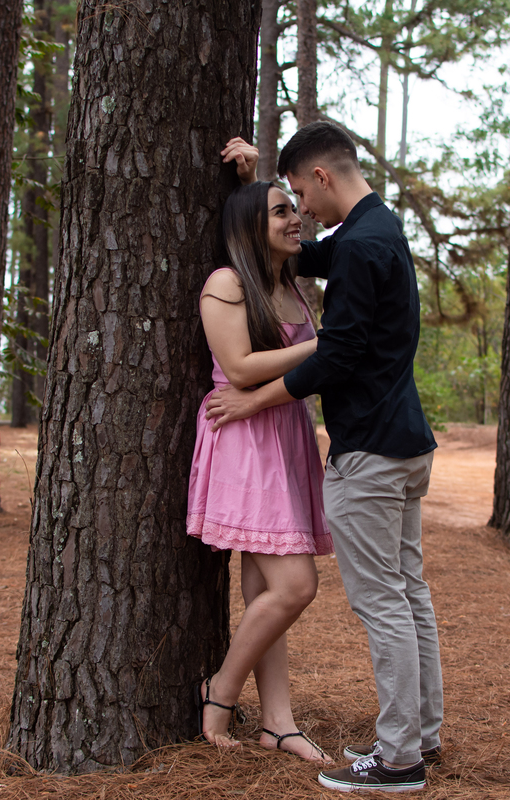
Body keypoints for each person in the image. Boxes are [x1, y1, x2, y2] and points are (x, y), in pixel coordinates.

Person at [211, 124, 442, 793]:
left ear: (321, 178)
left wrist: (252, 403)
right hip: (403, 445)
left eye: (300, 199)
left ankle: (399, 759)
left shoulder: (363, 246)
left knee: (386, 607)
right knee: (410, 597)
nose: (301, 215)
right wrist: (249, 186)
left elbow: (336, 358)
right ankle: (421, 734)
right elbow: (292, 252)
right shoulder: (378, 230)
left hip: (370, 453)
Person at [187, 172, 334, 764]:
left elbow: (290, 368)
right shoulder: (226, 281)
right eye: (280, 212)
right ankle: (220, 691)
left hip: (285, 431)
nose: (295, 217)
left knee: (266, 588)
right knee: (297, 586)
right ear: (252, 224)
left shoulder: (290, 283)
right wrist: (327, 344)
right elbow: (241, 366)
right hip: (245, 437)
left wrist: (253, 168)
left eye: (295, 208)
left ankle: (278, 721)